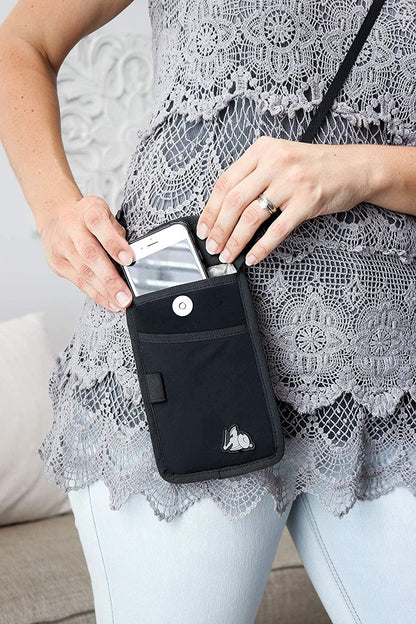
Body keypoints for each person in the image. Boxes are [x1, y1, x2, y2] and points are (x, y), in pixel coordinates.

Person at [0, 0, 415, 622]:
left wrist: (367, 166)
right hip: (177, 359)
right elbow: (21, 43)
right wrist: (54, 208)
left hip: (386, 383)